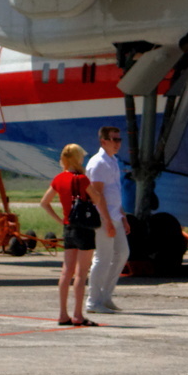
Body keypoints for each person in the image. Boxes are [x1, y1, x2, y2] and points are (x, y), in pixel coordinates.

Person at [42, 145, 98, 326]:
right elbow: (96, 198)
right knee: (81, 274)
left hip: (68, 227)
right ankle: (78, 315)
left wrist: (60, 220)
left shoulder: (59, 179)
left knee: (66, 272)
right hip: (84, 228)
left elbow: (45, 202)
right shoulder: (82, 179)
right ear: (76, 158)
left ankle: (62, 314)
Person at [85, 126, 130, 316]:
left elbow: (114, 193)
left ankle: (105, 296)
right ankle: (93, 301)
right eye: (114, 140)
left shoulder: (112, 161)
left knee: (122, 253)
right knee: (102, 258)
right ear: (103, 141)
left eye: (119, 139)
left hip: (115, 215)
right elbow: (97, 195)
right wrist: (107, 221)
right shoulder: (98, 163)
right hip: (104, 217)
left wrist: (123, 217)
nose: (118, 143)